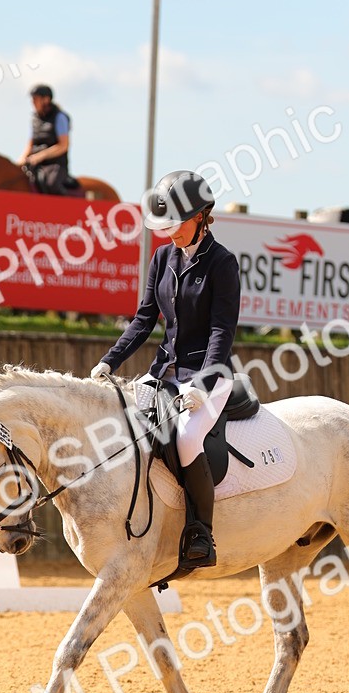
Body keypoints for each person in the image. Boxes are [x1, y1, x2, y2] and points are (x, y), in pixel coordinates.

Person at [90, 170, 241, 567]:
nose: (169, 235)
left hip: (209, 375)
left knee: (188, 440)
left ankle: (201, 534)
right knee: (126, 427)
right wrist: (110, 360)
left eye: (176, 226)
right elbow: (143, 320)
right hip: (164, 372)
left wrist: (204, 384)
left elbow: (221, 332)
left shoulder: (222, 264)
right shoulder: (162, 257)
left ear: (201, 216)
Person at [18, 84, 75, 195]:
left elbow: (63, 145)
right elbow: (30, 145)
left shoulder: (59, 117)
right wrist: (20, 161)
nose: (33, 102)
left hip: (55, 165)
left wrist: (40, 156)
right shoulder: (35, 119)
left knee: (51, 184)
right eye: (32, 99)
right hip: (34, 164)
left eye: (36, 99)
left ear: (46, 99)